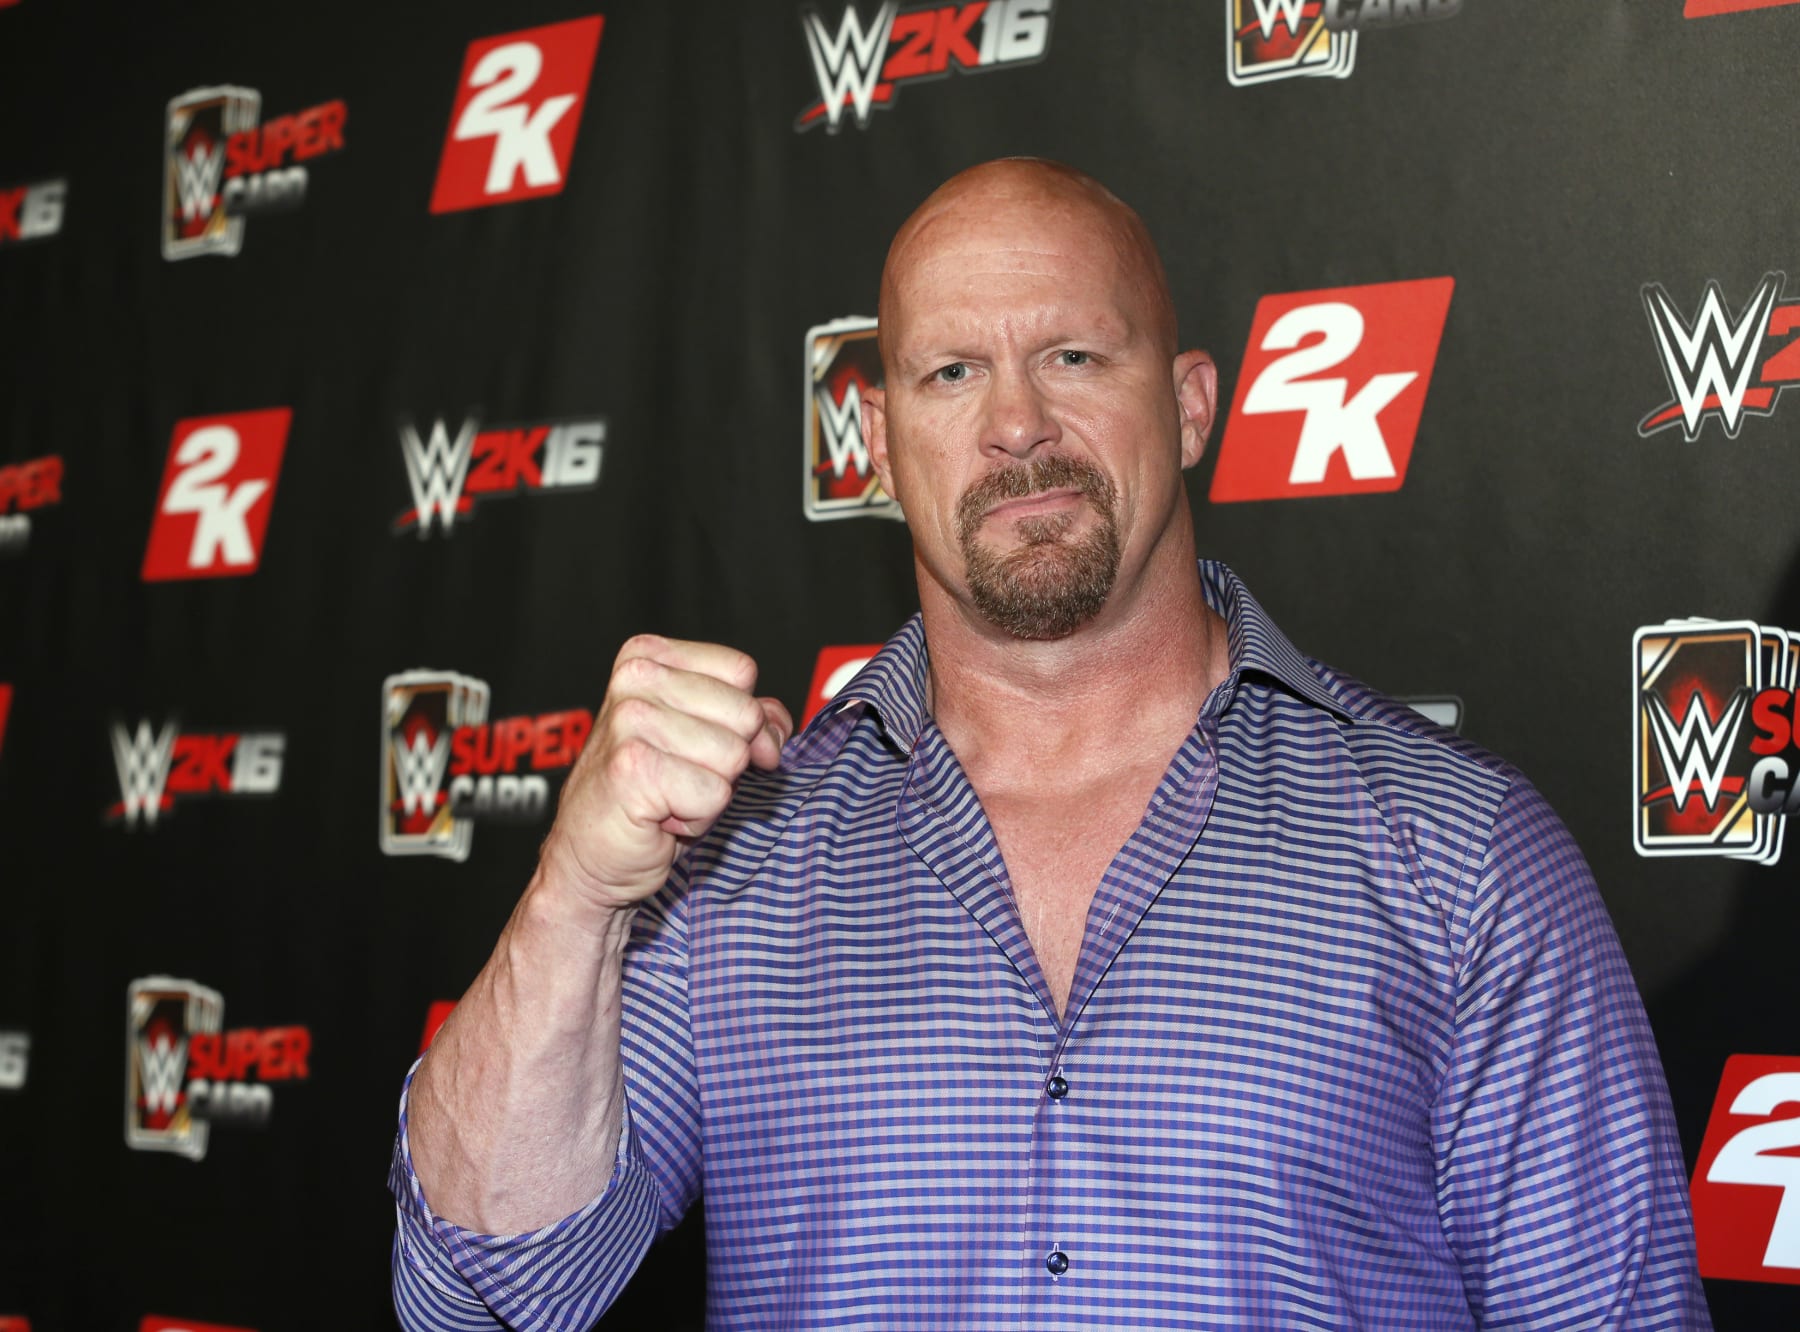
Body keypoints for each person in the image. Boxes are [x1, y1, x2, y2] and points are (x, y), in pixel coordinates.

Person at [391, 158, 1709, 1330]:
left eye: (1076, 356)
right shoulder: (738, 856)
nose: (1016, 424)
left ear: (1191, 409)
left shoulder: (1459, 852)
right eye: (951, 372)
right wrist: (575, 895)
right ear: (881, 448)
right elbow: (488, 1296)